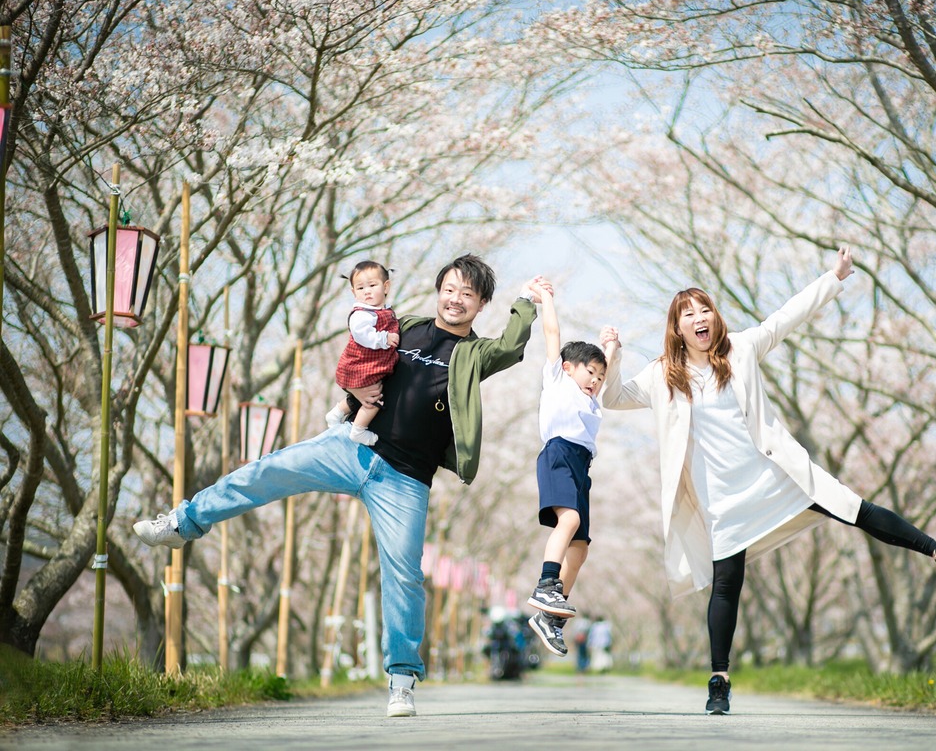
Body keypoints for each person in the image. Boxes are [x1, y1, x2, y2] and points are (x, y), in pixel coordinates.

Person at [134, 254, 547, 718]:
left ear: (481, 303)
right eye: (449, 289)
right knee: (266, 470)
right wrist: (354, 394)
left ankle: (402, 681)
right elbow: (361, 353)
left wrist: (526, 301)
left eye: (467, 294)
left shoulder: (474, 354)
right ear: (438, 291)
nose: (455, 300)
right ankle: (182, 523)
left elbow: (511, 347)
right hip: (350, 446)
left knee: (405, 575)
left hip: (405, 479)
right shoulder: (405, 326)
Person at [600, 246, 936, 715]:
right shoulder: (663, 376)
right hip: (722, 498)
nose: (700, 318)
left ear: (714, 317)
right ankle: (719, 681)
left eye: (705, 310)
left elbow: (786, 317)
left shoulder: (740, 349)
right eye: (689, 314)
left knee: (853, 507)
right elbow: (613, 397)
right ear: (677, 328)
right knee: (726, 585)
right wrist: (612, 355)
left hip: (774, 475)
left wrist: (834, 277)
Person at [524, 284, 613, 656]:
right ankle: (546, 583)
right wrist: (546, 299)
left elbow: (605, 369)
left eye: (600, 377)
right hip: (558, 453)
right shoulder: (557, 380)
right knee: (570, 519)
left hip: (581, 466)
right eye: (590, 372)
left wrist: (611, 347)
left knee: (580, 547)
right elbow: (552, 334)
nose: (595, 381)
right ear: (567, 368)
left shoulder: (591, 400)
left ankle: (551, 616)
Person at [325, 260, 400, 445]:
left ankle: (336, 413)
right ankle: (359, 430)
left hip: (368, 366)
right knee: (375, 399)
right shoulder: (361, 314)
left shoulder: (382, 311)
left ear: (386, 287)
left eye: (372, 285)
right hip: (359, 366)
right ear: (354, 292)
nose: (367, 291)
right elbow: (362, 335)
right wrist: (384, 338)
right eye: (360, 288)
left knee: (364, 396)